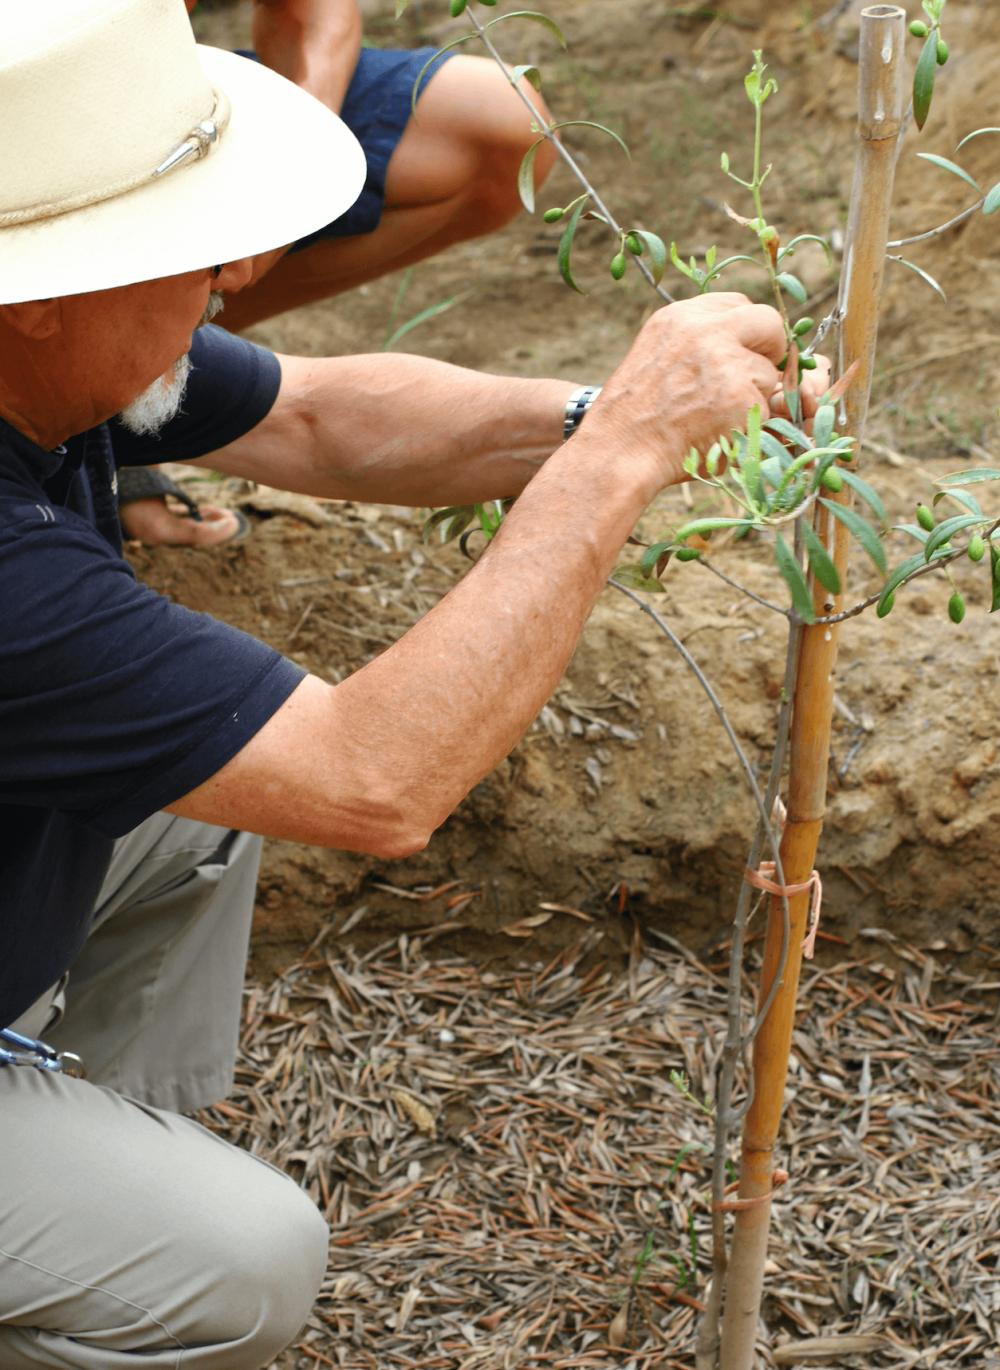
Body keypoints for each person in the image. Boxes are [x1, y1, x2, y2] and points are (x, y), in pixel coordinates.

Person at [0, 2, 800, 1365]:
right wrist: (615, 464)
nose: (242, 267)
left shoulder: (50, 364)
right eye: (182, 245)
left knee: (197, 804)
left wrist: (607, 420)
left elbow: (319, 414)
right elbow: (373, 778)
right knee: (248, 1262)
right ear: (41, 291)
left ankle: (86, 1175)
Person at [119, 0, 559, 541]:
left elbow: (309, 12)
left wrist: (297, 165)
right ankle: (75, 410)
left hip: (156, 93)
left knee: (497, 116)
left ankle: (134, 394)